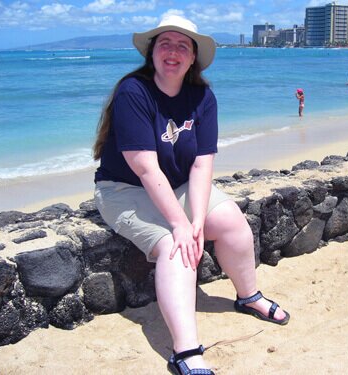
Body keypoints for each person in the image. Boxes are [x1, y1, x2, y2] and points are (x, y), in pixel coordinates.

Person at [92, 14, 289, 375]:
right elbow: (145, 168)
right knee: (176, 245)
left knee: (231, 222)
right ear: (152, 52)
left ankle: (248, 297)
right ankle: (185, 351)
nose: (173, 51)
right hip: (124, 189)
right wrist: (180, 225)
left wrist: (197, 219)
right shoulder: (133, 92)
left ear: (193, 57)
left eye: (183, 45)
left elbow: (202, 164)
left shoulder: (202, 97)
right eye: (165, 43)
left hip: (179, 184)